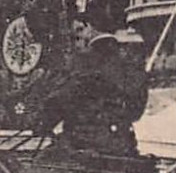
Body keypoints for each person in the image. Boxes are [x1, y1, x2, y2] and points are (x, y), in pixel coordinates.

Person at [31, 17, 150, 157]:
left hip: (84, 144)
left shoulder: (88, 59)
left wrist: (42, 123)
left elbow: (62, 98)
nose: (77, 41)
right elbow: (136, 110)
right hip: (123, 145)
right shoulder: (129, 63)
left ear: (91, 27)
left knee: (43, 159)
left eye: (79, 32)